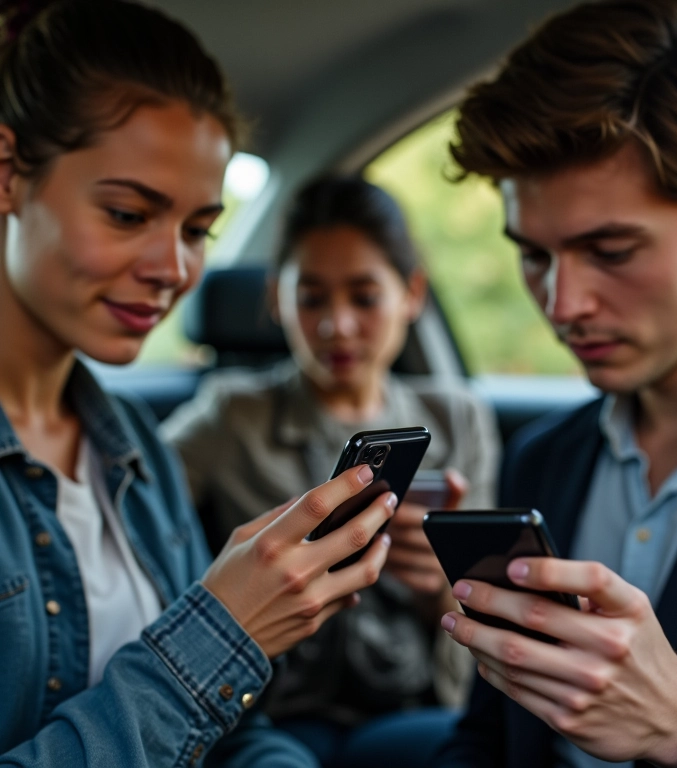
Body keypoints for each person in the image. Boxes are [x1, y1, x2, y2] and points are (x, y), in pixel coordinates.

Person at [0, 2, 398, 765]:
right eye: (127, 214)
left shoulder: (134, 445)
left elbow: (229, 735)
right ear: (9, 174)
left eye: (195, 230)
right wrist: (223, 635)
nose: (174, 269)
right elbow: (198, 688)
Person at [435, 0, 677, 766]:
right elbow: (490, 737)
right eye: (534, 256)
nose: (562, 305)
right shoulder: (541, 459)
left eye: (611, 251)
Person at [162, 175, 501, 767]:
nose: (336, 325)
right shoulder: (231, 415)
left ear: (412, 294)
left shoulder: (458, 421)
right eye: (312, 298)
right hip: (274, 712)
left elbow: (486, 626)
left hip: (413, 707)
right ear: (277, 299)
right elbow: (132, 499)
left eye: (364, 298)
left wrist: (441, 583)